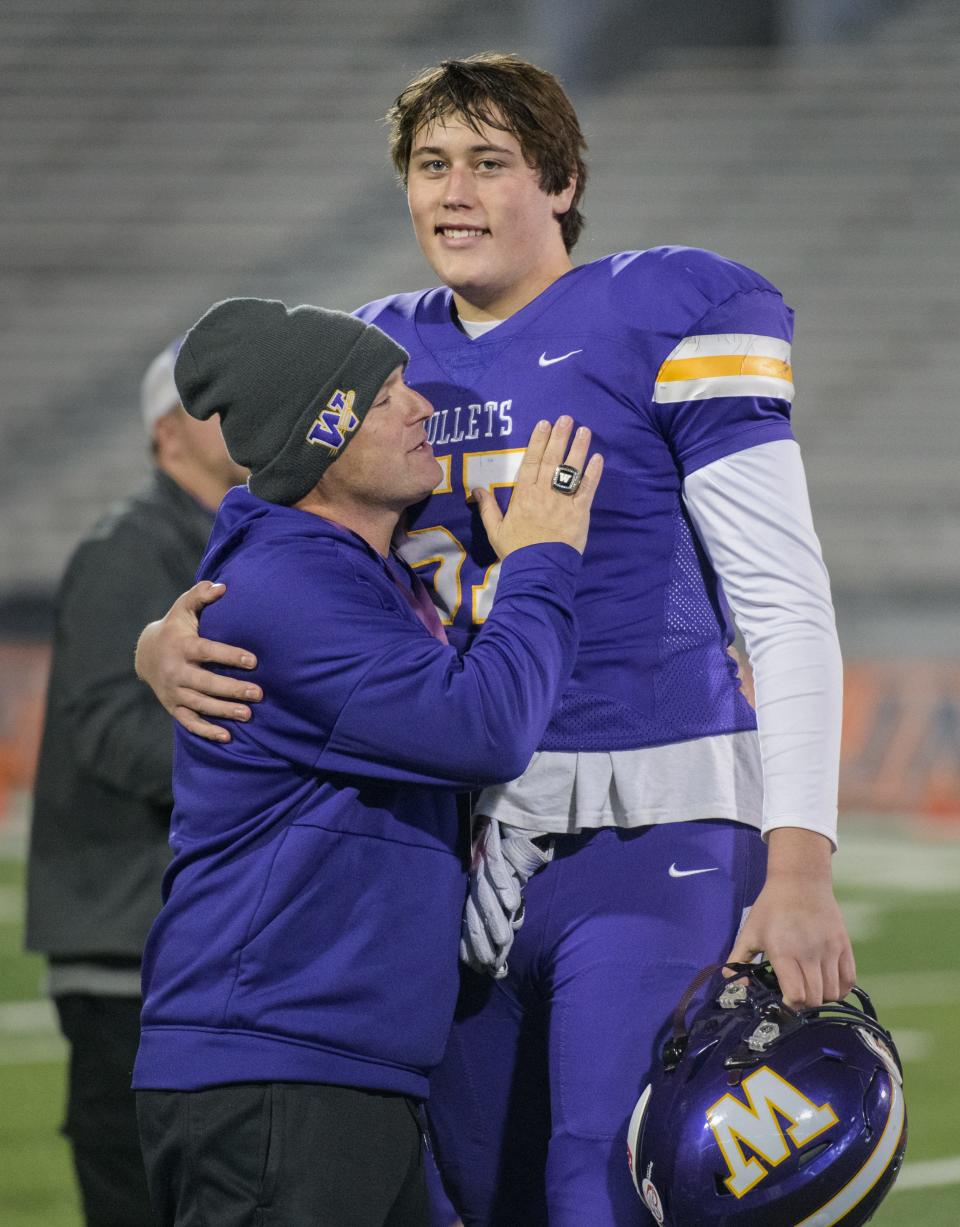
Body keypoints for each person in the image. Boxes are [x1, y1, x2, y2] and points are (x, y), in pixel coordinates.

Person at [135, 54, 854, 1226]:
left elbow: (783, 595)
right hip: (465, 853)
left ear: (564, 180)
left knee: (601, 1182)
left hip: (651, 823)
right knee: (474, 1192)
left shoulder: (665, 308)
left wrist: (803, 865)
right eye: (431, 164)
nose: (454, 191)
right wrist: (158, 638)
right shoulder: (380, 353)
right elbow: (266, 542)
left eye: (489, 162)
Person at [131, 296, 601, 1227]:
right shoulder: (294, 587)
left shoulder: (338, 572)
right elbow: (485, 724)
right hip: (273, 1067)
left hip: (328, 1060)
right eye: (384, 396)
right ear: (324, 437)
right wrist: (544, 560)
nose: (419, 404)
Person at [24, 340, 245, 1227]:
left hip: (171, 943)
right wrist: (270, 759)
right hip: (126, 947)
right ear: (167, 432)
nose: (243, 412)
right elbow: (115, 734)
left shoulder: (224, 536)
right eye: (215, 401)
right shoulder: (129, 546)